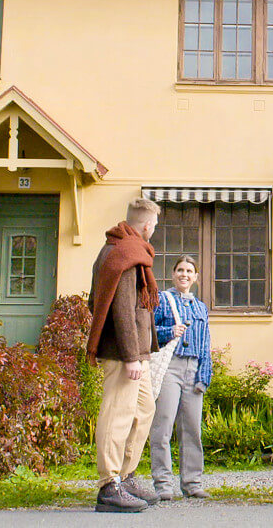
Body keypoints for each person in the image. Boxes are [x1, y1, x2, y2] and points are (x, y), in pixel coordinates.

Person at [87, 197, 162, 513]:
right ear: (146, 225)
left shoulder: (127, 250)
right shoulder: (124, 253)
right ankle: (109, 485)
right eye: (154, 226)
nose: (154, 231)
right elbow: (120, 307)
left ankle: (126, 476)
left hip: (136, 350)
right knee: (118, 412)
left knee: (144, 409)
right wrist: (131, 356)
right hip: (123, 352)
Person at [149, 255, 213, 500]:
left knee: (192, 429)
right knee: (162, 426)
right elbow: (148, 331)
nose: (184, 274)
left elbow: (205, 344)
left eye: (189, 271)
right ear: (173, 274)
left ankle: (192, 483)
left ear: (195, 277)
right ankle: (163, 485)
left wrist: (203, 376)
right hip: (170, 368)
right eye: (180, 270)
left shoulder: (200, 307)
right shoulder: (162, 300)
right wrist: (169, 331)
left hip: (193, 369)